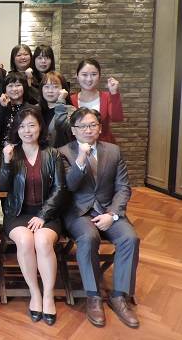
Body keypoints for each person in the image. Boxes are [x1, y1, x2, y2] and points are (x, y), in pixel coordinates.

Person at [59, 108, 139, 329]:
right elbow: (68, 186)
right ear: (74, 130)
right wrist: (81, 159)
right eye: (83, 126)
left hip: (108, 210)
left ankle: (119, 296)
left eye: (92, 125)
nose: (88, 130)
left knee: (130, 238)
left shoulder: (113, 151)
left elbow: (123, 188)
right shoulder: (63, 152)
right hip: (79, 212)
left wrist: (112, 214)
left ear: (100, 128)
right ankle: (93, 296)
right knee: (88, 237)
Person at [0, 107, 66, 326]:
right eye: (22, 126)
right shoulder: (11, 153)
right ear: (17, 130)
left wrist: (43, 215)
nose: (27, 130)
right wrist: (7, 162)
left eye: (32, 125)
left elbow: (60, 189)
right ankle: (35, 293)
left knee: (43, 241)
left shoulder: (53, 154)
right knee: (26, 241)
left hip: (47, 214)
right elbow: (2, 187)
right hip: (17, 213)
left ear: (40, 128)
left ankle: (48, 295)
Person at [70, 58, 123, 143]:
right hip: (77, 147)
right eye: (84, 74)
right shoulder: (70, 100)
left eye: (93, 74)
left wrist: (114, 93)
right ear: (77, 76)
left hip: (104, 146)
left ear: (99, 76)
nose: (89, 79)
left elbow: (117, 118)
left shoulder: (106, 97)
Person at [0, 72, 32, 148]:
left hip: (25, 150)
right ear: (5, 89)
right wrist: (3, 108)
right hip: (2, 150)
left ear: (24, 87)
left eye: (18, 85)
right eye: (10, 86)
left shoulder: (31, 109)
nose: (14, 89)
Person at [39, 71, 75, 148]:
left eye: (55, 87)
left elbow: (62, 126)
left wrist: (61, 100)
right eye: (46, 87)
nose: (50, 91)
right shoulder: (36, 109)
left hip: (61, 153)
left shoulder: (70, 110)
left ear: (63, 89)